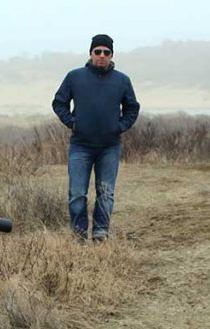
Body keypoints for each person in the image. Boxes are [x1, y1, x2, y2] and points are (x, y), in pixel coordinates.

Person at [52, 34, 140, 242]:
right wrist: (73, 123)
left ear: (111, 55)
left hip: (110, 147)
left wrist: (119, 127)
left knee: (106, 193)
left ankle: (100, 233)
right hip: (80, 146)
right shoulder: (74, 77)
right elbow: (59, 103)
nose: (102, 56)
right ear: (90, 53)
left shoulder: (122, 80)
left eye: (106, 52)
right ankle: (79, 234)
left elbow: (132, 108)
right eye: (97, 51)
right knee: (77, 194)